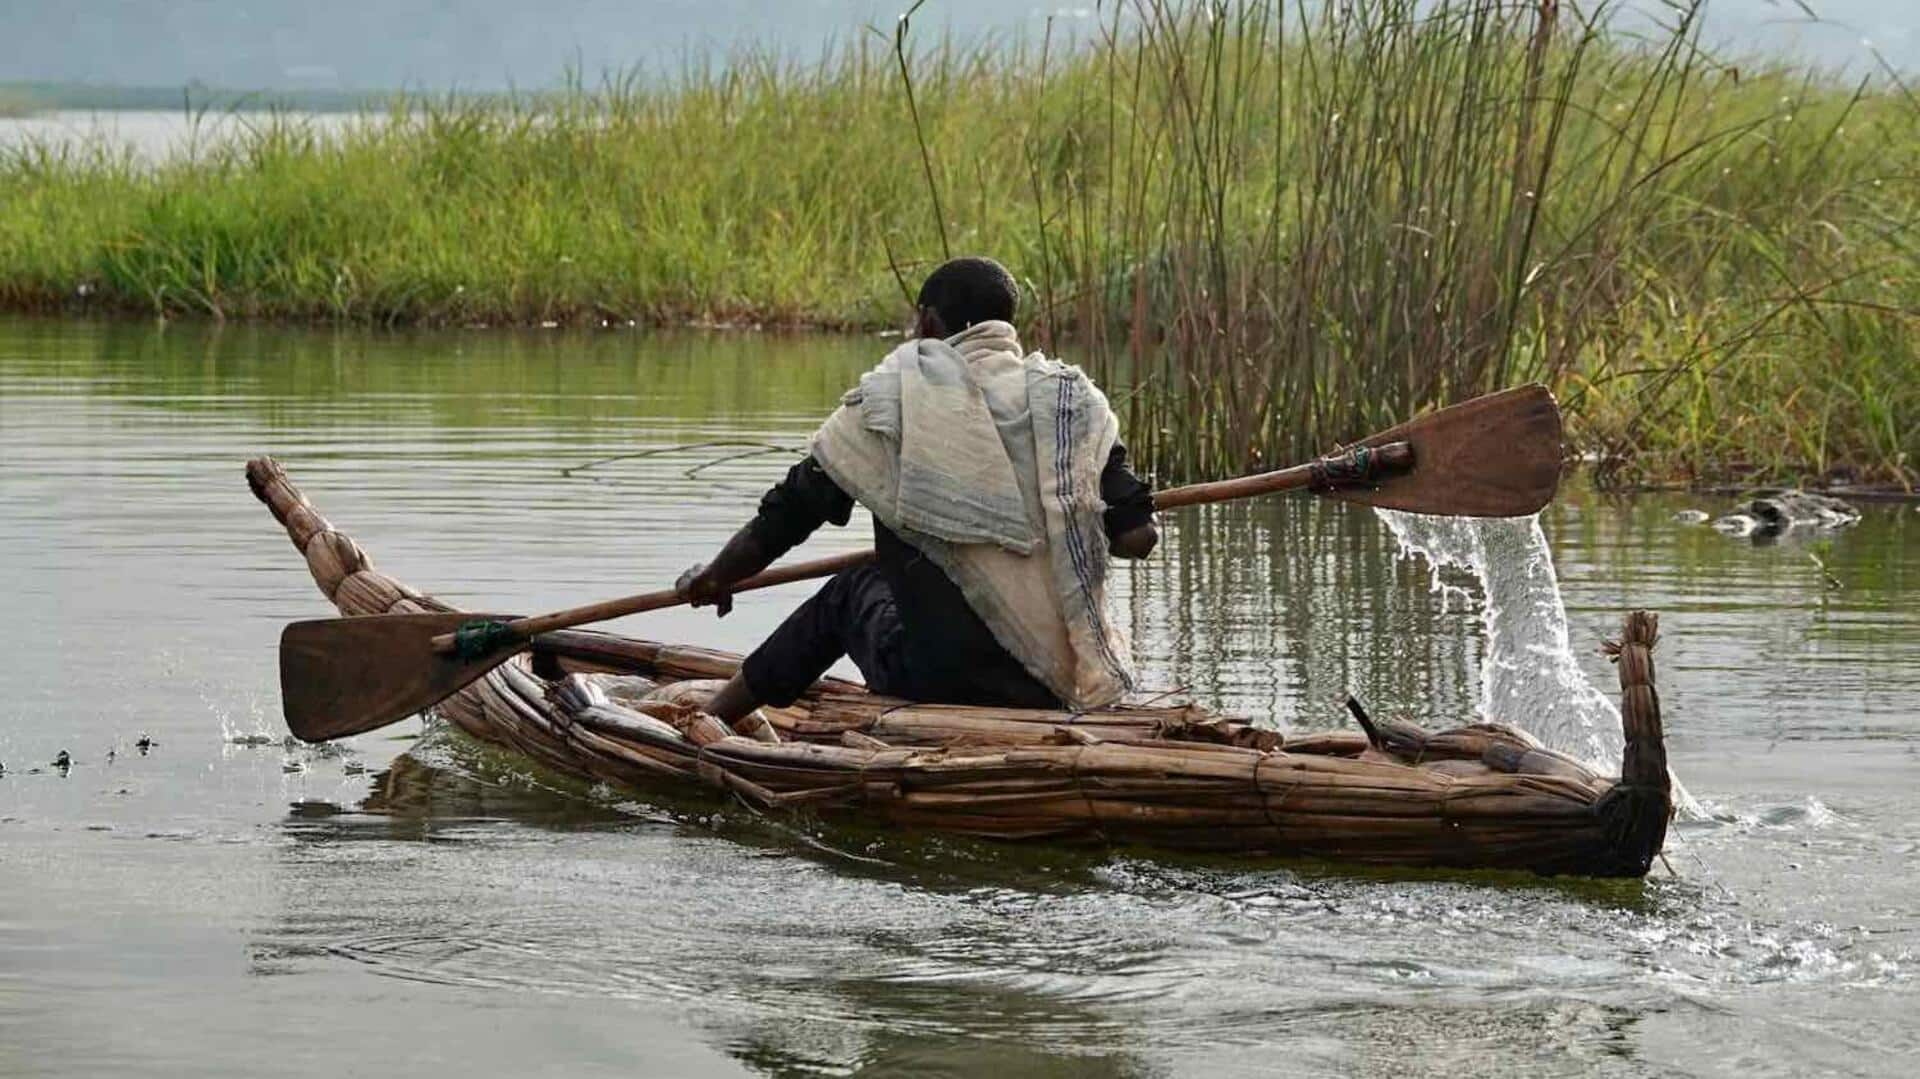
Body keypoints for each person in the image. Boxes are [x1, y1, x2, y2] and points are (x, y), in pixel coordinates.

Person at [676, 256, 1157, 722]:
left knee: (851, 590)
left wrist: (717, 576)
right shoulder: (1071, 404)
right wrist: (1082, 519)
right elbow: (1138, 538)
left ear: (927, 322)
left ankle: (712, 720)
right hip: (1049, 683)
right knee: (882, 574)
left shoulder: (893, 401)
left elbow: (786, 517)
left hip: (935, 677)